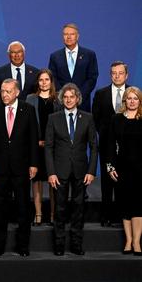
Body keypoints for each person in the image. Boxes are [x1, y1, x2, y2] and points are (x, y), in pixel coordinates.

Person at [0, 79, 39, 256]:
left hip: (21, 168)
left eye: (8, 91)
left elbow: (33, 139)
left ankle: (23, 247)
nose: (4, 95)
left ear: (17, 92)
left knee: (23, 209)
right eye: (2, 91)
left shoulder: (28, 110)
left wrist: (34, 164)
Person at [45, 83, 97, 256]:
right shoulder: (54, 118)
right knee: (59, 209)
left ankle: (76, 244)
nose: (68, 100)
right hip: (59, 171)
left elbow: (94, 147)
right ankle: (59, 245)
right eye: (65, 97)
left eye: (71, 97)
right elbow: (49, 148)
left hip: (82, 171)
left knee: (78, 208)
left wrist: (91, 171)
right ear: (62, 99)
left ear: (77, 99)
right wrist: (51, 172)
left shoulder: (88, 118)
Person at [92, 61, 129, 227]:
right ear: (110, 74)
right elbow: (96, 119)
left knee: (125, 182)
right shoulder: (101, 94)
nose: (117, 76)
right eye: (114, 73)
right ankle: (106, 215)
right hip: (107, 145)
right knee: (107, 182)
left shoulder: (133, 93)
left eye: (120, 73)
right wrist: (106, 136)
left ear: (126, 75)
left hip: (129, 148)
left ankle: (123, 216)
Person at [106, 87, 142, 255]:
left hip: (140, 170)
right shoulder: (116, 119)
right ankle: (128, 241)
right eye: (129, 98)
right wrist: (110, 167)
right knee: (125, 206)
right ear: (125, 100)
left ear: (139, 101)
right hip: (122, 169)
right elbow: (110, 146)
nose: (132, 101)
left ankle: (137, 242)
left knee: (138, 206)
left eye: (135, 98)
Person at [26, 69, 61, 226]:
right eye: (41, 80)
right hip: (35, 146)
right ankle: (38, 214)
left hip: (54, 148)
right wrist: (36, 141)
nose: (44, 82)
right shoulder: (30, 99)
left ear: (51, 81)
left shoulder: (59, 100)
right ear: (37, 82)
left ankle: (53, 215)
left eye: (47, 79)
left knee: (53, 181)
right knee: (37, 181)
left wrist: (51, 142)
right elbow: (27, 124)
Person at [48, 23, 98, 111]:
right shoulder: (55, 56)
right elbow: (53, 78)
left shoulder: (89, 55)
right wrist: (63, 96)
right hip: (61, 104)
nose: (69, 37)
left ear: (77, 36)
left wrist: (78, 96)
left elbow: (92, 78)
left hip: (82, 103)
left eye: (72, 34)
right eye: (66, 34)